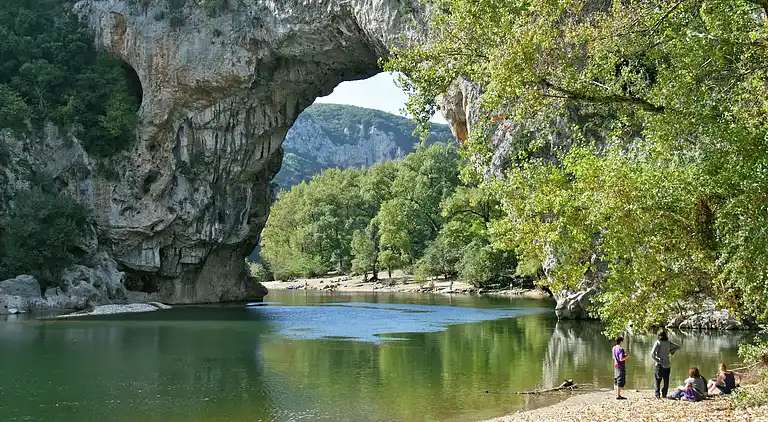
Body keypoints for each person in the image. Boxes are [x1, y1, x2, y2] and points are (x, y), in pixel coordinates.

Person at [650, 330, 680, 398]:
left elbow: (652, 354)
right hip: (667, 365)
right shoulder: (668, 343)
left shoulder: (658, 343)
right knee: (666, 380)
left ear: (658, 336)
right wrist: (671, 351)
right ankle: (664, 394)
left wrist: (657, 360)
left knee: (657, 380)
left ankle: (657, 394)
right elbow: (678, 347)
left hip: (659, 365)